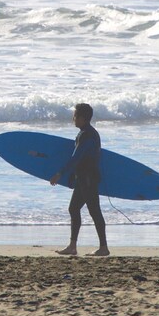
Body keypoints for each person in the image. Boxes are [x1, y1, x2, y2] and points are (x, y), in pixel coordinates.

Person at [50, 103, 109, 256]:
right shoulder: (87, 132)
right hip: (84, 178)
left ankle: (103, 248)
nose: (73, 118)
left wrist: (60, 173)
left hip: (88, 178)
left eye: (75, 116)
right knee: (74, 208)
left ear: (82, 118)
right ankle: (72, 246)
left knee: (94, 211)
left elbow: (76, 157)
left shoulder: (87, 135)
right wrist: (72, 176)